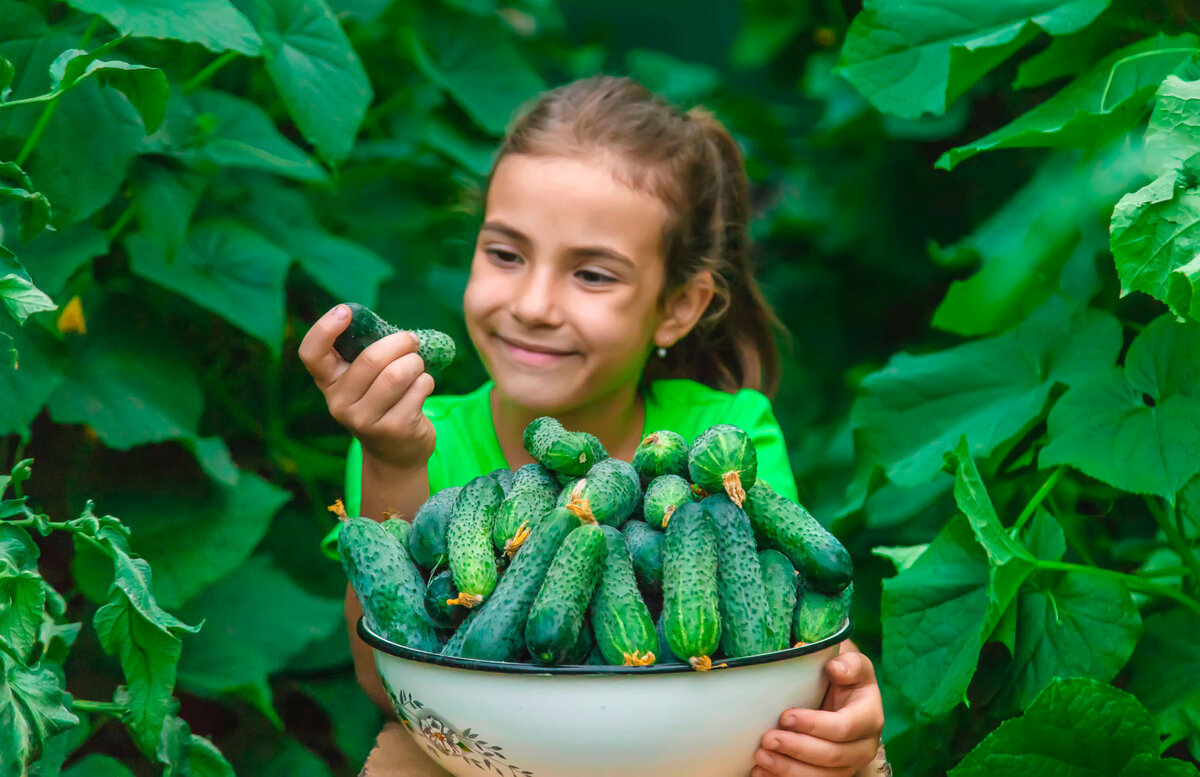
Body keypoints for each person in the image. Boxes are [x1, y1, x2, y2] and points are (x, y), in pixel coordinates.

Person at [300, 75, 888, 777]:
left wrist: (838, 714)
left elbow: (781, 632)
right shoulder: (416, 436)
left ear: (678, 306)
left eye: (593, 275)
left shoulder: (729, 432)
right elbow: (393, 689)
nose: (535, 303)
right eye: (506, 254)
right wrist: (393, 460)